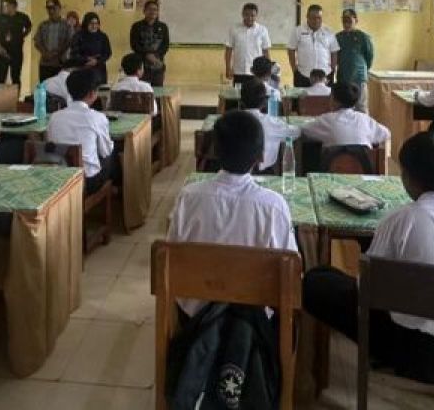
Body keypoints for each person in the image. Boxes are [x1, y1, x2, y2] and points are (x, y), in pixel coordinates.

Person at [303, 133, 434, 389]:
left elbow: (367, 289)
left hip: (427, 357)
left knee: (318, 281)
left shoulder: (401, 220)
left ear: (407, 177)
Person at [167, 110, 297, 315]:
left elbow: (172, 256)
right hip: (253, 319)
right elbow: (291, 271)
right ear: (261, 155)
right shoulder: (274, 206)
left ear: (216, 152)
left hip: (194, 313)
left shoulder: (188, 197)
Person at [46, 68, 116, 194]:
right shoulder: (97, 117)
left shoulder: (54, 117)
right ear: (92, 94)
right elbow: (105, 152)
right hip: (87, 181)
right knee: (111, 153)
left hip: (59, 177)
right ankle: (119, 192)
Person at [300, 82, 391, 168]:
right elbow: (386, 133)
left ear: (335, 101)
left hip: (331, 172)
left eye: (331, 97)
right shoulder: (364, 119)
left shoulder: (326, 119)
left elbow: (304, 130)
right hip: (364, 170)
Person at [239, 78, 302, 173]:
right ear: (264, 103)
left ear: (240, 101)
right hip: (263, 173)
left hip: (232, 173)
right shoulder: (271, 122)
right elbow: (296, 132)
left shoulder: (228, 121)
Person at [287, 4, 339, 87]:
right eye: (313, 18)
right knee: (302, 99)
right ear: (307, 17)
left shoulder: (329, 31)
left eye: (319, 18)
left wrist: (332, 70)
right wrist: (294, 69)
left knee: (325, 99)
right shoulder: (298, 31)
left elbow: (334, 52)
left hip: (325, 75)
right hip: (303, 75)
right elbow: (291, 49)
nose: (317, 20)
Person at [336, 9, 375, 112]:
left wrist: (362, 70)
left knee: (361, 107)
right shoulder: (338, 37)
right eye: (344, 21)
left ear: (356, 21)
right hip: (343, 78)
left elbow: (369, 56)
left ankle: (363, 128)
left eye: (349, 20)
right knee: (344, 108)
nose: (346, 24)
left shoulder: (363, 37)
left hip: (359, 78)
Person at [224, 3, 271, 86]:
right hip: (238, 71)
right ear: (242, 14)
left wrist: (268, 70)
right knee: (238, 96)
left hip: (257, 73)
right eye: (246, 15)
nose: (249, 18)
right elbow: (228, 50)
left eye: (252, 15)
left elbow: (266, 51)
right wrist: (228, 68)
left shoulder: (262, 30)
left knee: (256, 97)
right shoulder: (234, 29)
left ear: (256, 16)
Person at [129, 0, 170, 86]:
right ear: (144, 11)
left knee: (157, 93)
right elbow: (134, 45)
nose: (153, 12)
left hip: (158, 64)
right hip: (141, 67)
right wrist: (147, 55)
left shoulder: (163, 27)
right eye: (150, 9)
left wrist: (155, 56)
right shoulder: (136, 26)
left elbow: (165, 45)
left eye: (155, 9)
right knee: (143, 93)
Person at [0, 0, 33, 86]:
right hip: (3, 52)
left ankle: (16, 98)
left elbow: (29, 28)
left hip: (16, 52)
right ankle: (0, 98)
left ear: (13, 6)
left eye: (6, 6)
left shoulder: (23, 17)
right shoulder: (0, 17)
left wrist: (22, 36)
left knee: (16, 77)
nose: (4, 8)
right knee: (0, 78)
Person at [33, 0, 74, 82]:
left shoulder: (67, 25)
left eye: (53, 8)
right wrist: (45, 53)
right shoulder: (42, 25)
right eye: (48, 8)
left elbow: (70, 42)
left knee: (60, 91)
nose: (51, 11)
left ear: (59, 8)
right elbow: (37, 42)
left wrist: (56, 54)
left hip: (61, 64)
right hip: (45, 63)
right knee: (45, 89)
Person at [67, 11, 112, 86]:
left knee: (98, 94)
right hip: (82, 69)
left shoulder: (103, 36)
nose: (94, 26)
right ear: (86, 23)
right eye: (91, 23)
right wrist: (86, 59)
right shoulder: (78, 36)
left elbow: (108, 53)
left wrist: (97, 61)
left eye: (96, 23)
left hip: (99, 71)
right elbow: (74, 53)